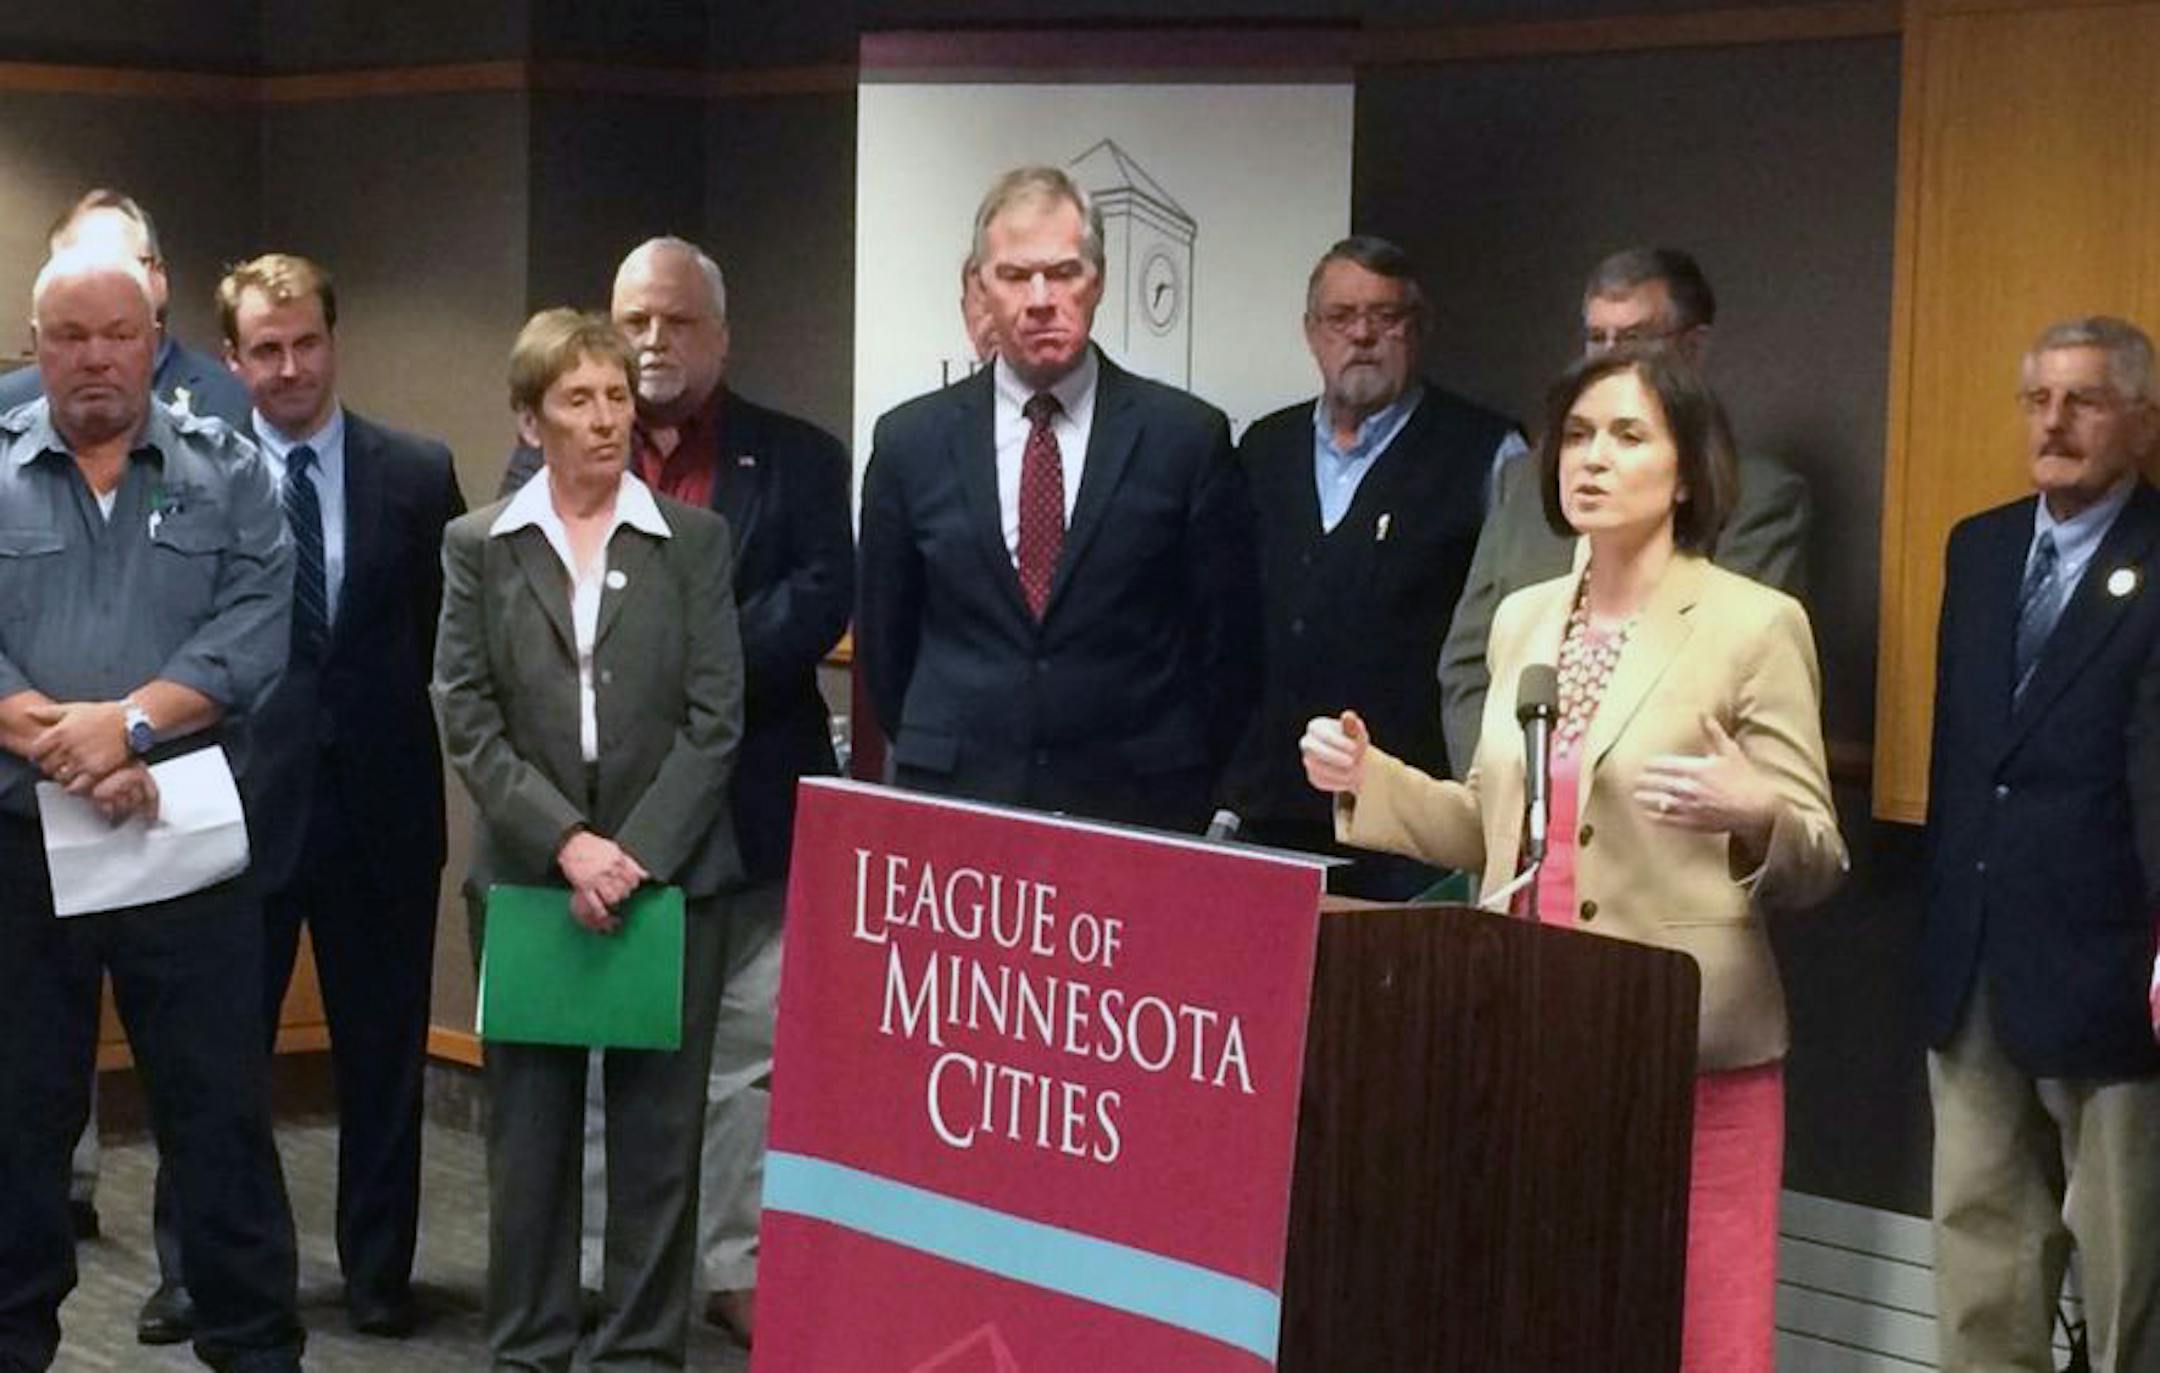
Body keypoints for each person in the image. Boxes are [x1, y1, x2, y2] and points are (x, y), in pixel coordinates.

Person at [1302, 348, 1846, 1373]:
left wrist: (1757, 812)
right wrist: (1370, 777)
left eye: (1629, 436)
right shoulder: (1525, 620)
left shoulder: (1752, 623)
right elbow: (1494, 831)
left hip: (1686, 1050)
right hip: (1533, 1037)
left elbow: (1817, 856)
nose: (1592, 459)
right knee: (1544, 1316)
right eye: (1579, 436)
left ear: (1688, 472)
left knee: (1699, 1334)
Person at [500, 236, 853, 1347]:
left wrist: (678, 660)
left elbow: (813, 603)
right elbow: (524, 632)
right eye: (635, 320)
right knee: (595, 1058)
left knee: (746, 1058)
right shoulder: (538, 465)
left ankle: (733, 1265)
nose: (654, 342)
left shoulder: (797, 457)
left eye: (677, 322)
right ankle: (611, 1269)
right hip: (586, 822)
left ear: (721, 334)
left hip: (746, 813)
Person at [0, 248, 302, 1372]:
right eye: (68, 335)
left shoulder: (226, 473)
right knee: (17, 1126)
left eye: (116, 334)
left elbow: (256, 627)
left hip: (181, 842)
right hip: (22, 851)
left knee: (219, 1120)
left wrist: (124, 727)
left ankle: (255, 1346)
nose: (92, 357)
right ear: (36, 346)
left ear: (152, 341)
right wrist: (67, 744)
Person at [435, 308, 744, 1372]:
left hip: (672, 880)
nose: (606, 418)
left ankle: (641, 1352)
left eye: (617, 396)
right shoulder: (478, 545)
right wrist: (569, 844)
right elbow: (465, 713)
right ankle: (530, 1345)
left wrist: (633, 854)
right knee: (531, 1137)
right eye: (578, 399)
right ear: (532, 417)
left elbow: (717, 719)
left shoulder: (693, 542)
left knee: (660, 1139)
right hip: (529, 883)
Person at [858, 164, 1261, 833]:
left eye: (1064, 272)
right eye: (1014, 275)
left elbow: (1230, 647)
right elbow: (885, 643)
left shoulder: (1185, 438)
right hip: (959, 798)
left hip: (1137, 802)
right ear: (979, 287)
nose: (1040, 298)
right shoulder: (910, 441)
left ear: (1097, 281)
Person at [218, 252, 465, 1338]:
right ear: (233, 358)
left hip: (382, 808)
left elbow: (441, 639)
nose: (289, 367)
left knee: (382, 1057)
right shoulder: (197, 472)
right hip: (239, 808)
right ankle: (221, 1275)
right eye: (265, 349)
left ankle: (377, 1273)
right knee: (217, 1060)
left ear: (334, 340)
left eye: (305, 342)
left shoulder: (416, 471)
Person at [1930, 316, 2160, 1373]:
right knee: (1981, 1260)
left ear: (2142, 422)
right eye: (2039, 400)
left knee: (2127, 1279)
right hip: (1976, 957)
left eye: (2085, 400)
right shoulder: (1978, 549)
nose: (2055, 423)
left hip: (2111, 965)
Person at [1225, 235, 1522, 897]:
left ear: (1420, 331)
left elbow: (1505, 639)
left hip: (1410, 815)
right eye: (1340, 317)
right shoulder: (1263, 448)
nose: (1362, 335)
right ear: (1311, 332)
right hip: (1271, 804)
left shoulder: (1488, 452)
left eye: (1386, 318)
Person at [1439, 247, 1810, 770]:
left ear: (1694, 347)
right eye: (1597, 338)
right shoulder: (1525, 482)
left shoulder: (1758, 498)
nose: (1608, 357)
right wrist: (1507, 793)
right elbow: (1467, 665)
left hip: (1653, 813)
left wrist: (1588, 792)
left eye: (1633, 338)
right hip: (1513, 819)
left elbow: (1721, 684)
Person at [0, 189, 249, 429]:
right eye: (79, 266)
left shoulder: (228, 401)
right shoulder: (8, 406)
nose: (97, 283)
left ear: (158, 277)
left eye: (118, 266)